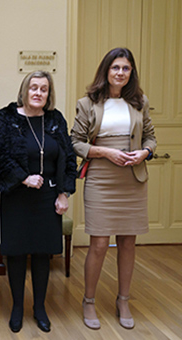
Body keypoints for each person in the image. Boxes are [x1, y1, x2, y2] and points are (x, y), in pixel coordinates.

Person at [70, 47, 156, 330]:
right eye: (116, 67)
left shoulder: (139, 101)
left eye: (126, 68)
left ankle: (123, 300)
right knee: (98, 244)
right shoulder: (88, 103)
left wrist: (144, 153)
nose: (120, 73)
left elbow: (151, 138)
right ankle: (90, 301)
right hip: (101, 178)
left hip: (132, 178)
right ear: (106, 70)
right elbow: (75, 142)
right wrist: (106, 153)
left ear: (131, 73)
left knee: (129, 243)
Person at [0, 71, 77, 333]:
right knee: (16, 253)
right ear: (24, 90)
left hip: (48, 197)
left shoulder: (55, 120)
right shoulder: (6, 118)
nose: (38, 93)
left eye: (44, 89)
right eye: (33, 87)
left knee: (41, 253)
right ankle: (17, 307)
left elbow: (69, 159)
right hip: (17, 196)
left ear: (49, 94)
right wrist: (23, 178)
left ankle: (39, 308)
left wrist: (64, 193)